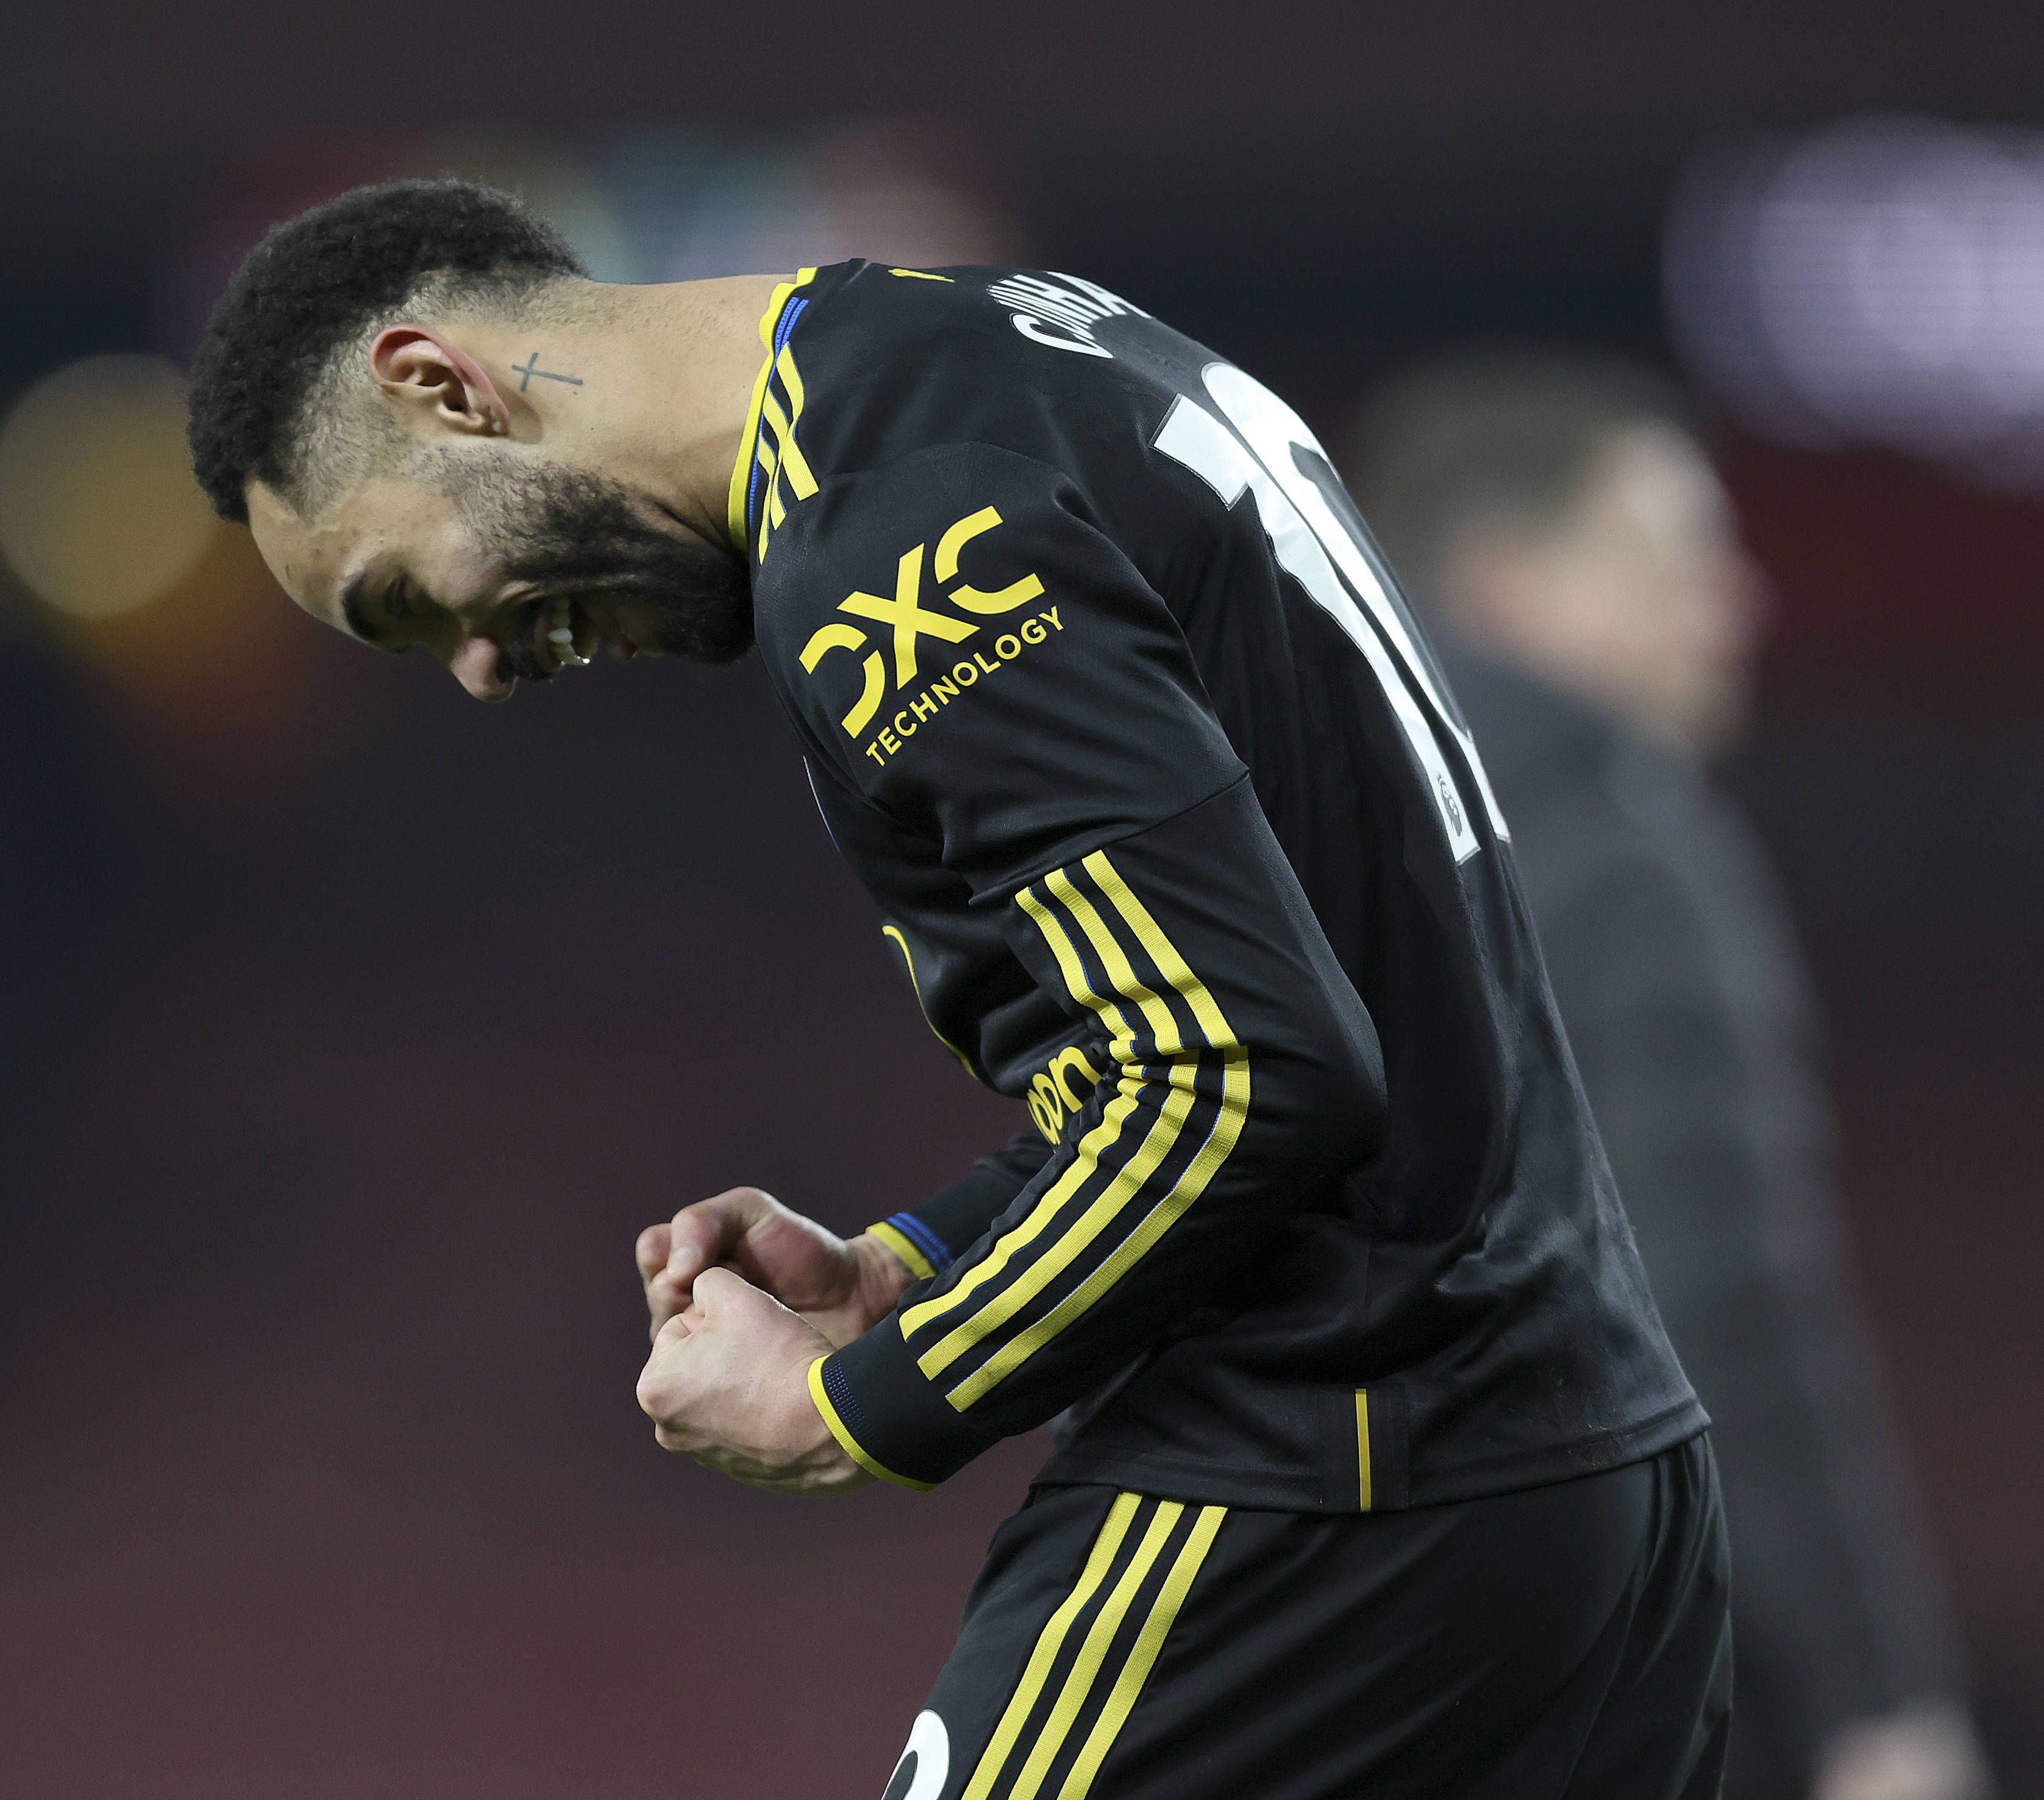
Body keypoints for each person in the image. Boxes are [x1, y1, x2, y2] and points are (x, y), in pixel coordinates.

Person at [185, 178, 1728, 1799]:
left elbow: (1244, 1078)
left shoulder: (896, 529)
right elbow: (1294, 996)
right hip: (1585, 1464)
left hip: (1336, 1469)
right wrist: (913, 1262)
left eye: (406, 600)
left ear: (440, 383)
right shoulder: (1021, 343)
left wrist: (858, 1404)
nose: (482, 670)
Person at [1350, 354, 1990, 1800]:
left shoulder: (1289, 846)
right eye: (1675, 557)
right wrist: (1870, 1697)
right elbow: (1717, 1300)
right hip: (1598, 1678)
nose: (1735, 604)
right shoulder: (1620, 850)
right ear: (1505, 584)